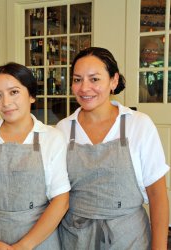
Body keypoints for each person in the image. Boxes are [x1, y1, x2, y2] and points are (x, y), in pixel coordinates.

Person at [57, 47, 169, 249]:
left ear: (113, 81)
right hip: (75, 238)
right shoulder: (63, 130)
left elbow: (157, 195)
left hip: (128, 237)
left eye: (94, 79)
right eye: (77, 79)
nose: (84, 88)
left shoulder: (138, 124)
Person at [0, 62, 70, 249]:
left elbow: (61, 200)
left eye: (14, 92)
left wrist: (24, 246)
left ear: (32, 95)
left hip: (39, 241)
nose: (5, 103)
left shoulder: (52, 138)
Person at [139, 37, 164, 102]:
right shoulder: (136, 66)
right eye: (147, 50)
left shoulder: (162, 66)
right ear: (141, 51)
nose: (150, 54)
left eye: (154, 51)